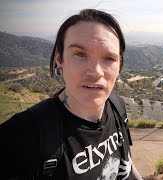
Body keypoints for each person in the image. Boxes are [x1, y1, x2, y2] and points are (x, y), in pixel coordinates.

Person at [0, 9, 142, 180]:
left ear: (119, 66)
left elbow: (126, 162)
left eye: (109, 58)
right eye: (80, 54)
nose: (96, 72)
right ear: (59, 59)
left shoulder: (117, 107)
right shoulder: (21, 137)